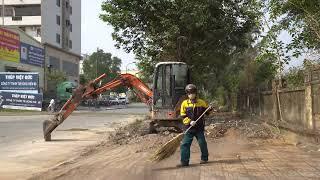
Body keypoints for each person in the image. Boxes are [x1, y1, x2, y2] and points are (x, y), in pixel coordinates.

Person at [177, 84, 212, 167]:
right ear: (187, 94)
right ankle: (184, 162)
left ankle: (204, 158)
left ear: (196, 93)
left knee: (202, 143)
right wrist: (190, 122)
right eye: (189, 93)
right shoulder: (184, 104)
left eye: (192, 93)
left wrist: (210, 109)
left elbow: (207, 113)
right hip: (188, 128)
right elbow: (183, 115)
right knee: (185, 144)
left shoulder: (201, 102)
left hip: (199, 128)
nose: (191, 95)